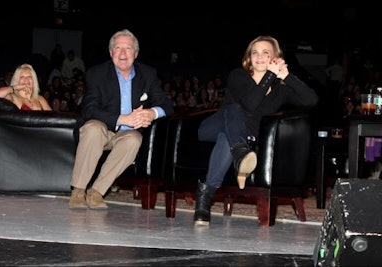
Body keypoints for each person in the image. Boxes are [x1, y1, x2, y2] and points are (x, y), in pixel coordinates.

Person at [194, 35, 319, 226]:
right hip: (213, 126)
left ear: (275, 57)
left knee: (226, 139)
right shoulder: (238, 75)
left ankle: (204, 199)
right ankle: (241, 153)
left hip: (240, 135)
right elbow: (250, 104)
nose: (259, 57)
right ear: (249, 57)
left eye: (265, 52)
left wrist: (286, 76)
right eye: (255, 53)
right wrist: (270, 75)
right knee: (234, 109)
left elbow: (311, 100)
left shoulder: (280, 89)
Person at [68, 29, 174, 209]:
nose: (123, 53)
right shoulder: (97, 73)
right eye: (118, 48)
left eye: (128, 48)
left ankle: (96, 192)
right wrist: (123, 119)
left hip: (125, 136)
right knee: (94, 128)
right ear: (111, 52)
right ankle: (78, 191)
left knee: (134, 138)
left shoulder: (148, 74)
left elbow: (167, 106)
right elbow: (89, 110)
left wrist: (151, 113)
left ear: (136, 53)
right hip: (100, 130)